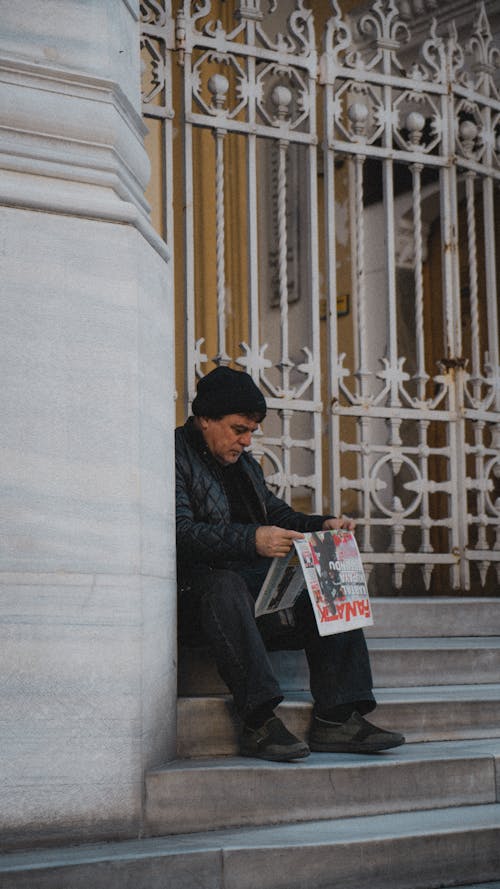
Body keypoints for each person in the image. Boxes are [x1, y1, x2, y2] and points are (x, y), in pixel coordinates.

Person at [176, 366, 405, 762]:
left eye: (251, 431)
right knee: (225, 584)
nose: (246, 441)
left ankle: (338, 718)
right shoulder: (173, 455)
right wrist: (252, 539)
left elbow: (278, 514)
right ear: (205, 419)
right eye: (237, 429)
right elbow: (178, 532)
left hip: (250, 596)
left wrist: (323, 526)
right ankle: (259, 723)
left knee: (329, 567)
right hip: (199, 596)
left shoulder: (243, 465)